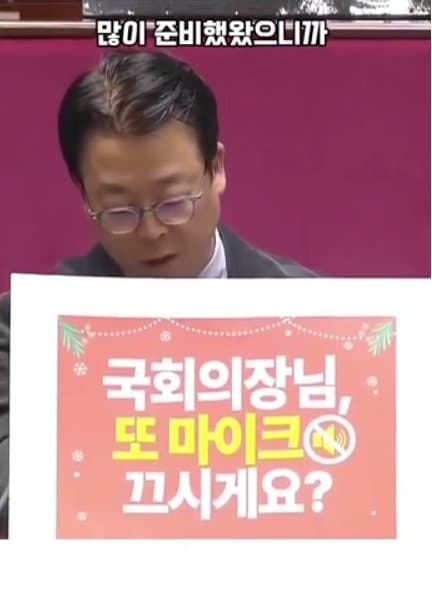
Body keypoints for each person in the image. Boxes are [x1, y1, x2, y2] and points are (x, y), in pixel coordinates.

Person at [0, 49, 317, 535]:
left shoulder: (320, 316)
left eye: (173, 201)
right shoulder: (21, 333)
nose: (151, 232)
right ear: (85, 196)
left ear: (216, 169)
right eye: (120, 210)